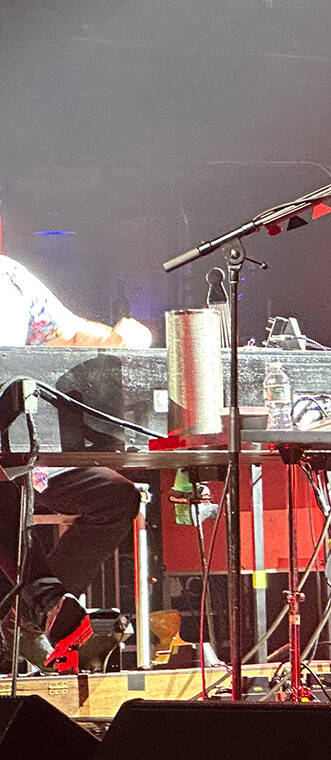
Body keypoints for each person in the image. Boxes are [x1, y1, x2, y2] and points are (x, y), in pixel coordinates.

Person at [0, 254, 151, 672]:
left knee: (116, 495)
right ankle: (48, 599)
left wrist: (118, 337)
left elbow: (68, 333)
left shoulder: (9, 276)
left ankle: (26, 618)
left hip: (19, 448)